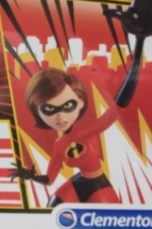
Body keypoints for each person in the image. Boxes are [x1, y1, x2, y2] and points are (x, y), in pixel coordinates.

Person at [10, 68, 120, 206]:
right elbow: (49, 179)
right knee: (53, 207)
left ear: (80, 101)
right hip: (78, 184)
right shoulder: (60, 144)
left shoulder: (88, 131)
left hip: (99, 185)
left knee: (106, 216)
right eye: (49, 109)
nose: (60, 116)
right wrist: (31, 176)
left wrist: (134, 68)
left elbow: (117, 108)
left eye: (67, 105)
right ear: (37, 111)